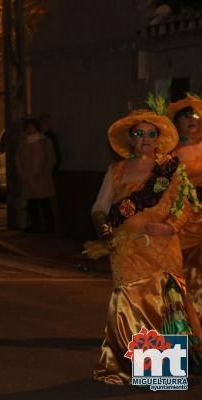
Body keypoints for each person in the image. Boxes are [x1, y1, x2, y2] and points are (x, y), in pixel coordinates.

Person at [88, 108, 202, 384]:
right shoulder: (116, 171)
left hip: (163, 248)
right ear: (131, 140)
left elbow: (184, 206)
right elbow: (99, 208)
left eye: (151, 133)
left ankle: (162, 373)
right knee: (131, 306)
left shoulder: (170, 169)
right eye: (139, 133)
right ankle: (134, 368)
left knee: (163, 307)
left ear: (159, 138)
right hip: (128, 252)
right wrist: (104, 231)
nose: (146, 138)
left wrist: (170, 227)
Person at [169, 94, 202, 321]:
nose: (192, 119)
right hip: (182, 218)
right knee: (182, 270)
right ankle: (186, 319)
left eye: (195, 116)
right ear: (177, 123)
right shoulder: (170, 154)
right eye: (186, 116)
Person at [16, 118, 56, 233]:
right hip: (28, 178)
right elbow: (18, 160)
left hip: (42, 178)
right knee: (32, 204)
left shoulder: (45, 141)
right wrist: (23, 174)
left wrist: (45, 172)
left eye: (31, 127)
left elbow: (51, 158)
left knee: (44, 203)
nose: (29, 130)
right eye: (27, 128)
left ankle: (49, 226)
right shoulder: (23, 144)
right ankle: (36, 226)